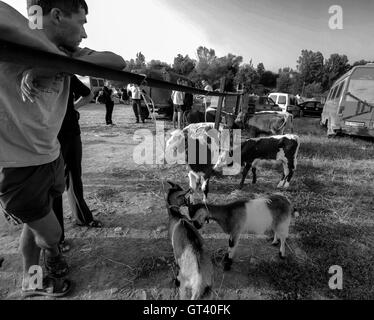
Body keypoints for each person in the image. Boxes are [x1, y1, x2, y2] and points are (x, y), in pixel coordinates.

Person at [0, 0, 125, 297]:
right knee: (53, 234)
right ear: (56, 15)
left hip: (50, 155)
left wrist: (56, 61)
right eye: (80, 23)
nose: (83, 33)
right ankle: (51, 261)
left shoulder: (70, 52)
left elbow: (119, 62)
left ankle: (31, 283)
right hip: (17, 166)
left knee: (33, 229)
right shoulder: (13, 37)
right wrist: (46, 54)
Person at [52, 75, 103, 254]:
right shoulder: (37, 71)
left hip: (71, 132)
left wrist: (72, 108)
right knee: (55, 186)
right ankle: (56, 238)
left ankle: (82, 217)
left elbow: (88, 94)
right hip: (51, 136)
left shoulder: (65, 74)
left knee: (74, 176)